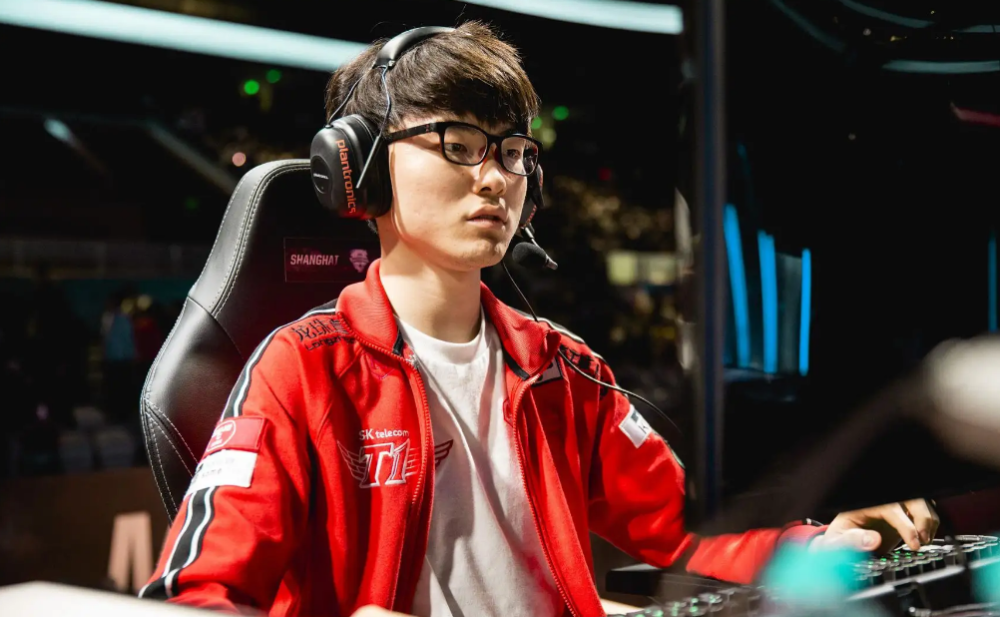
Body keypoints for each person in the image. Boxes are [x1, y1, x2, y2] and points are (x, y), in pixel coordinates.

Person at [140, 22, 938, 617]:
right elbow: (195, 596)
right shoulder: (301, 370)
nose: (496, 178)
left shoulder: (565, 368)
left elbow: (681, 526)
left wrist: (814, 542)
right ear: (362, 169)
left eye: (513, 151)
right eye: (458, 143)